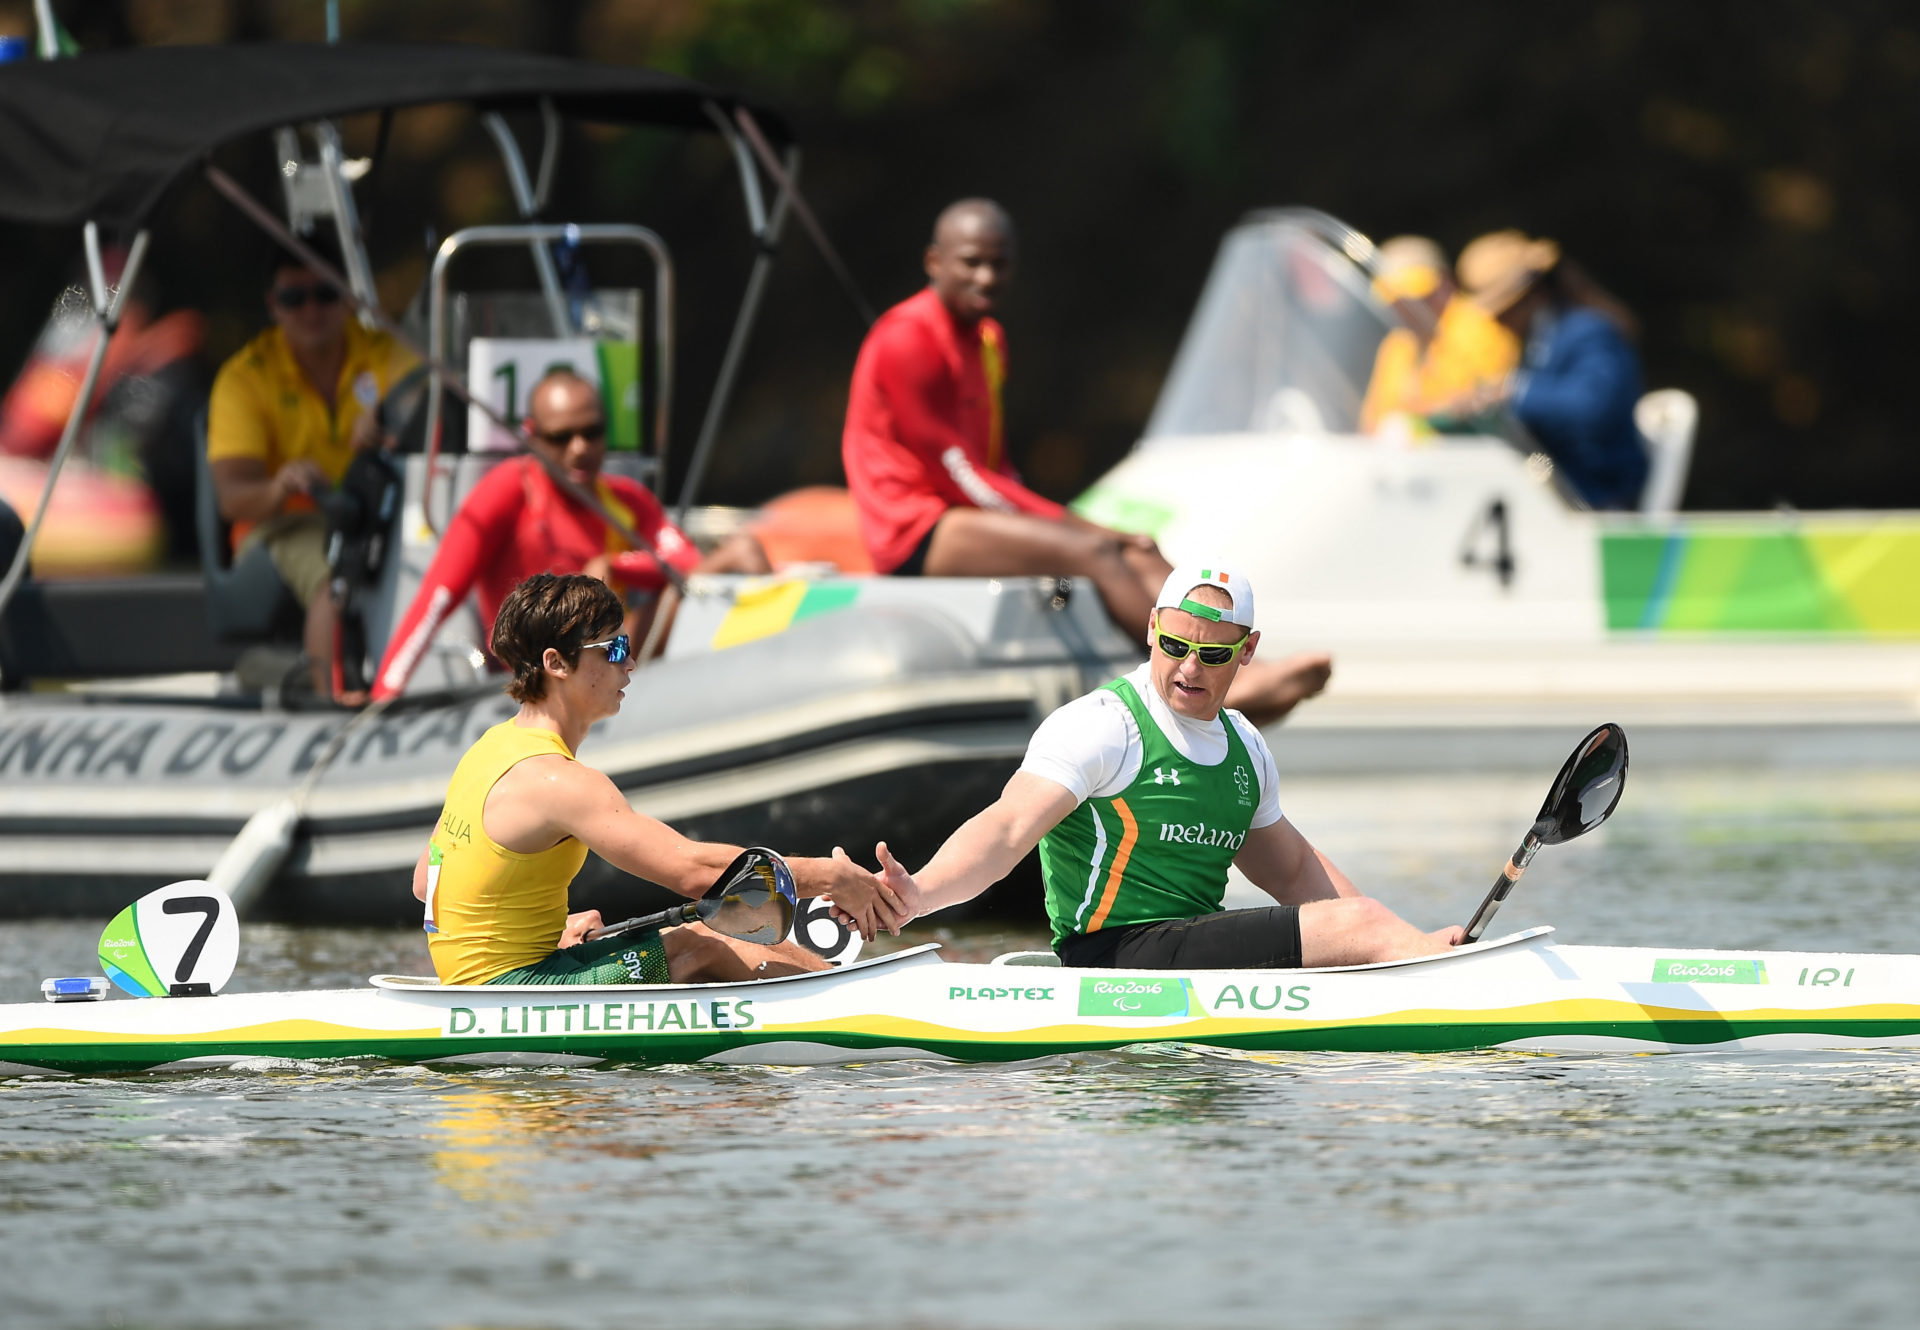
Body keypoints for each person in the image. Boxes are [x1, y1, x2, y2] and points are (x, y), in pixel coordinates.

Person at [842, 198, 1330, 725]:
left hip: (965, 509)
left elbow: (997, 466)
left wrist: (1081, 528)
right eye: (970, 262)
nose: (986, 276)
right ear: (934, 261)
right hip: (917, 528)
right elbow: (959, 474)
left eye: (999, 263)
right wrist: (1081, 528)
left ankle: (1231, 666)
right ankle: (1194, 680)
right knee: (1099, 551)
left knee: (1141, 548)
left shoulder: (987, 340)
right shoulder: (907, 338)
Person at [868, 565, 1464, 969]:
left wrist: (1391, 943)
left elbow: (1294, 870)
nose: (1190, 668)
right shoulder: (1104, 724)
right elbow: (1007, 829)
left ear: (1247, 651)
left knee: (1359, 926)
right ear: (1153, 628)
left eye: (1213, 654)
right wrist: (919, 894)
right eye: (1176, 646)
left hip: (1187, 950)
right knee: (1361, 926)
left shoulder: (1245, 745)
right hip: (1109, 954)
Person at [411, 571, 906, 986]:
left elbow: (425, 880)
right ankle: (860, 1007)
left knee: (706, 936)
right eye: (614, 648)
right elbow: (693, 872)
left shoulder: (488, 750)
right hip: (512, 989)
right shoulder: (559, 781)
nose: (630, 662)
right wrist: (830, 877)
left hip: (495, 977)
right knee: (705, 941)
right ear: (556, 663)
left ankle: (839, 994)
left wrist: (543, 930)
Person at [371, 368, 768, 701]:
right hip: (535, 681)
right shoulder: (507, 490)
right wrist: (385, 693)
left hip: (613, 658)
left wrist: (614, 566)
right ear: (531, 436)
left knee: (708, 581)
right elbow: (436, 599)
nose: (579, 448)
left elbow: (686, 564)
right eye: (561, 437)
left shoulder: (627, 499)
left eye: (592, 432)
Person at [206, 235, 416, 702]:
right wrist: (280, 487)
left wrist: (392, 425)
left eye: (324, 293)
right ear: (273, 305)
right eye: (293, 298)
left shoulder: (384, 351)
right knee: (336, 574)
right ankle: (332, 703)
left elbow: (431, 411)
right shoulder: (244, 377)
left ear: (346, 298)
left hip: (377, 514)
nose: (311, 309)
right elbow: (234, 500)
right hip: (282, 522)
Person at [1440, 231, 1651, 510]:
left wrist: (1511, 391)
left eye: (1504, 311)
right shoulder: (1538, 340)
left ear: (1532, 295)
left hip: (1597, 490)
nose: (1498, 322)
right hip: (1557, 484)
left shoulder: (1589, 331)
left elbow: (1590, 408)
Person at [1358, 235, 1518, 435]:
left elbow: (1490, 403)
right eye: (1397, 299)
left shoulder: (1481, 328)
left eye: (1417, 295)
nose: (1406, 307)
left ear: (1446, 283)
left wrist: (1418, 416)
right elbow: (1371, 421)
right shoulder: (1397, 344)